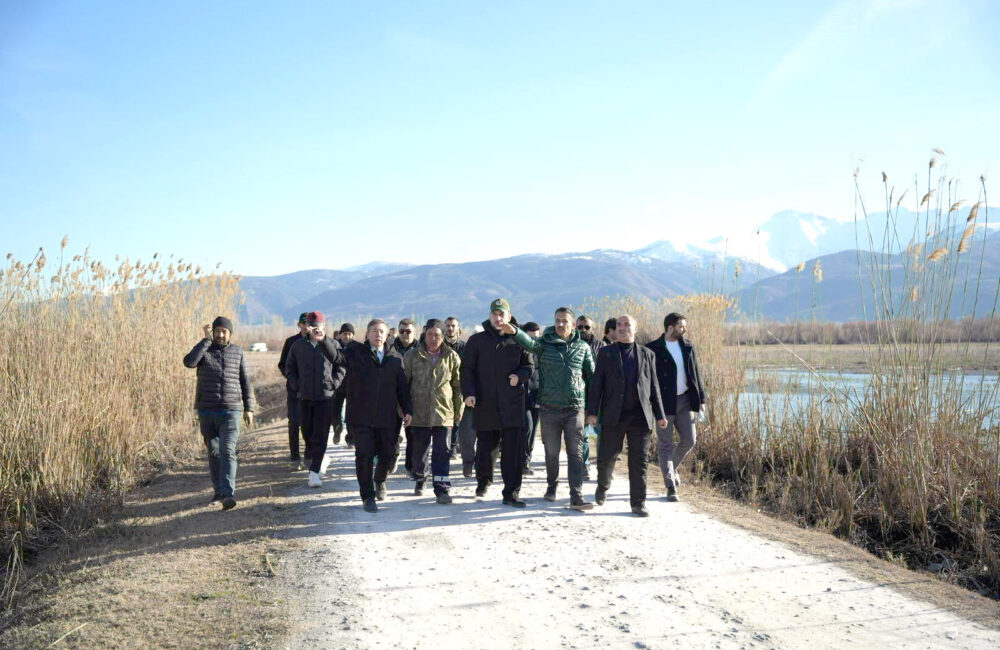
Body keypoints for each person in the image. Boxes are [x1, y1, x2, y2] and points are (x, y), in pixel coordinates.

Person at [501, 308, 595, 510]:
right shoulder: (544, 345)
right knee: (552, 452)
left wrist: (592, 408)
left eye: (565, 321)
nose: (561, 325)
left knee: (576, 453)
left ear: (572, 324)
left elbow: (591, 377)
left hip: (575, 408)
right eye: (558, 321)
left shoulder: (583, 347)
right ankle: (552, 486)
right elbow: (530, 343)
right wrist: (515, 331)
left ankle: (576, 495)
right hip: (549, 408)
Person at [318, 319, 412, 513]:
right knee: (364, 456)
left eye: (381, 332)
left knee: (387, 454)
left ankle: (380, 480)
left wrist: (407, 410)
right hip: (362, 417)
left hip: (388, 418)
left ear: (387, 335)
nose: (378, 335)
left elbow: (402, 387)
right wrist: (322, 339)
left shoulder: (395, 357)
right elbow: (336, 357)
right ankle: (367, 496)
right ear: (367, 334)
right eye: (374, 331)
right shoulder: (356, 352)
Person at [586, 315, 667, 517]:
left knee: (639, 461)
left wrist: (660, 414)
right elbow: (597, 384)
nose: (622, 328)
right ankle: (603, 486)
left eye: (626, 324)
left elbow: (654, 386)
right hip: (613, 415)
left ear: (635, 328)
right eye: (619, 325)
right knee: (607, 457)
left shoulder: (647, 354)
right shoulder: (605, 353)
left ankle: (638, 503)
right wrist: (593, 412)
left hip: (640, 416)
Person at [461, 298, 533, 507]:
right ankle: (483, 481)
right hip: (485, 403)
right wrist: (469, 393)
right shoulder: (477, 341)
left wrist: (519, 376)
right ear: (490, 316)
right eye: (495, 314)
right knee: (486, 448)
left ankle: (511, 492)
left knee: (513, 451)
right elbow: (467, 370)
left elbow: (529, 366)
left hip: (512, 404)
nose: (498, 318)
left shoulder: (520, 339)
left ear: (509, 317)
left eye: (502, 314)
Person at [183, 316, 255, 510]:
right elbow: (189, 362)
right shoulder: (204, 350)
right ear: (213, 332)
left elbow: (246, 382)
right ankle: (218, 491)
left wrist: (249, 408)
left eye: (225, 331)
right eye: (218, 331)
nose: (221, 334)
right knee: (214, 452)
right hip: (207, 410)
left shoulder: (238, 352)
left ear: (230, 333)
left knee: (228, 450)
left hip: (231, 410)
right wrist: (205, 341)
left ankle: (228, 494)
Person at [646, 312, 706, 502]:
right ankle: (670, 486)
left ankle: (669, 468)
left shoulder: (688, 346)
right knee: (665, 445)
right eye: (681, 326)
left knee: (690, 439)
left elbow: (696, 373)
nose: (684, 329)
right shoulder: (652, 349)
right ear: (670, 327)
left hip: (686, 401)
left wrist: (701, 400)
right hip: (664, 404)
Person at [403, 319, 463, 504]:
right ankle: (420, 480)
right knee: (419, 452)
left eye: (437, 335)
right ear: (424, 334)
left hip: (443, 413)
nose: (433, 338)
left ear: (443, 335)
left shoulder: (451, 356)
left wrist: (457, 410)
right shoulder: (412, 355)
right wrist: (404, 410)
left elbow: (457, 386)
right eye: (430, 334)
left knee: (442, 451)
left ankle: (442, 489)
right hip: (419, 412)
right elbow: (403, 385)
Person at [285, 312, 346, 488]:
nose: (314, 330)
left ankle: (314, 471)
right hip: (304, 397)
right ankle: (320, 459)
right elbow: (289, 367)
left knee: (321, 434)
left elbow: (341, 366)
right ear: (306, 327)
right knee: (307, 432)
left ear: (323, 327)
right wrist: (296, 385)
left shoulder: (332, 344)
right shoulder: (297, 346)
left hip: (325, 398)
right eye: (311, 326)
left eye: (318, 326)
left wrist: (333, 384)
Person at [575, 315, 605, 479]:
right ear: (575, 328)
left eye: (587, 327)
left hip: (599, 397)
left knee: (602, 434)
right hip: (580, 397)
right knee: (582, 435)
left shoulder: (602, 347)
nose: (584, 330)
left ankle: (602, 466)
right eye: (580, 327)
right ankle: (584, 466)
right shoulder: (571, 345)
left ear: (592, 328)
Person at [278, 312, 309, 470]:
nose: (306, 325)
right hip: (294, 390)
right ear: (299, 325)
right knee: (294, 423)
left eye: (309, 322)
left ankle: (309, 456)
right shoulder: (291, 342)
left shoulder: (317, 341)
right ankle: (295, 457)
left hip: (312, 391)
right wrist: (292, 379)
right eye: (304, 323)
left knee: (308, 424)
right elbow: (282, 364)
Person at [393, 318, 419, 478]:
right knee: (391, 434)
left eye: (408, 331)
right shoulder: (390, 347)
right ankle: (393, 456)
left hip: (413, 398)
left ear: (414, 332)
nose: (404, 334)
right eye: (401, 331)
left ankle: (411, 466)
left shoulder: (420, 350)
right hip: (392, 397)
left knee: (413, 436)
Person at [443, 316, 467, 460]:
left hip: (459, 387)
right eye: (448, 325)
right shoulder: (439, 346)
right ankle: (444, 446)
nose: (450, 328)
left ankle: (453, 447)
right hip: (444, 387)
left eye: (453, 325)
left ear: (458, 328)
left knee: (457, 417)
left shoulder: (465, 347)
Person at [520, 322, 542, 476]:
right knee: (527, 427)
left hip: (537, 394)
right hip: (521, 395)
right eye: (531, 338)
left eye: (537, 338)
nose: (534, 341)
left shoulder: (542, 351)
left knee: (533, 430)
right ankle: (521, 459)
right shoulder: (518, 350)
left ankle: (526, 459)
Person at [332, 322, 355, 445]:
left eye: (349, 334)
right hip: (337, 385)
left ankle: (351, 438)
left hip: (352, 386)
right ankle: (337, 429)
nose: (347, 337)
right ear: (340, 334)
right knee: (335, 412)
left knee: (351, 414)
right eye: (345, 334)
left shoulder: (357, 348)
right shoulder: (334, 347)